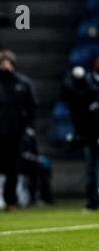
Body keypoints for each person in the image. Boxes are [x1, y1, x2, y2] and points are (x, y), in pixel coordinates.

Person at [0, 50, 38, 211]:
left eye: (7, 62)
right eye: (1, 62)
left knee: (13, 169)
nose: (4, 65)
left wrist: (27, 127)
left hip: (16, 133)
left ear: (12, 63)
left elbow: (32, 107)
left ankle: (11, 201)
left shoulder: (24, 84)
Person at [62, 58, 99, 212]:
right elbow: (75, 101)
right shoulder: (86, 83)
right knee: (91, 169)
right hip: (90, 133)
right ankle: (92, 202)